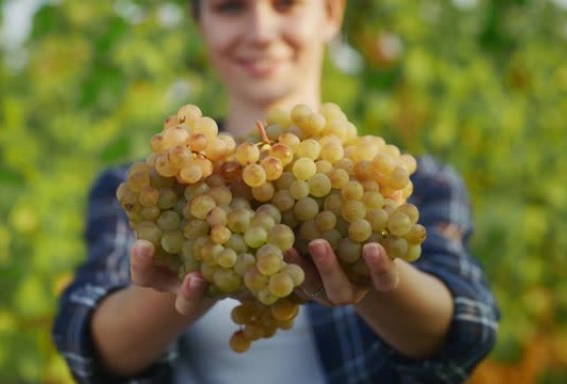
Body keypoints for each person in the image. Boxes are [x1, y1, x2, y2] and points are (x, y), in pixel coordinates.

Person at [52, 0, 500, 382]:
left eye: (285, 3)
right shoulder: (152, 189)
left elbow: (468, 332)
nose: (261, 31)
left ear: (330, 12)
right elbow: (87, 347)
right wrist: (189, 280)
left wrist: (373, 278)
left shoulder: (402, 185)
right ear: (200, 23)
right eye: (230, 6)